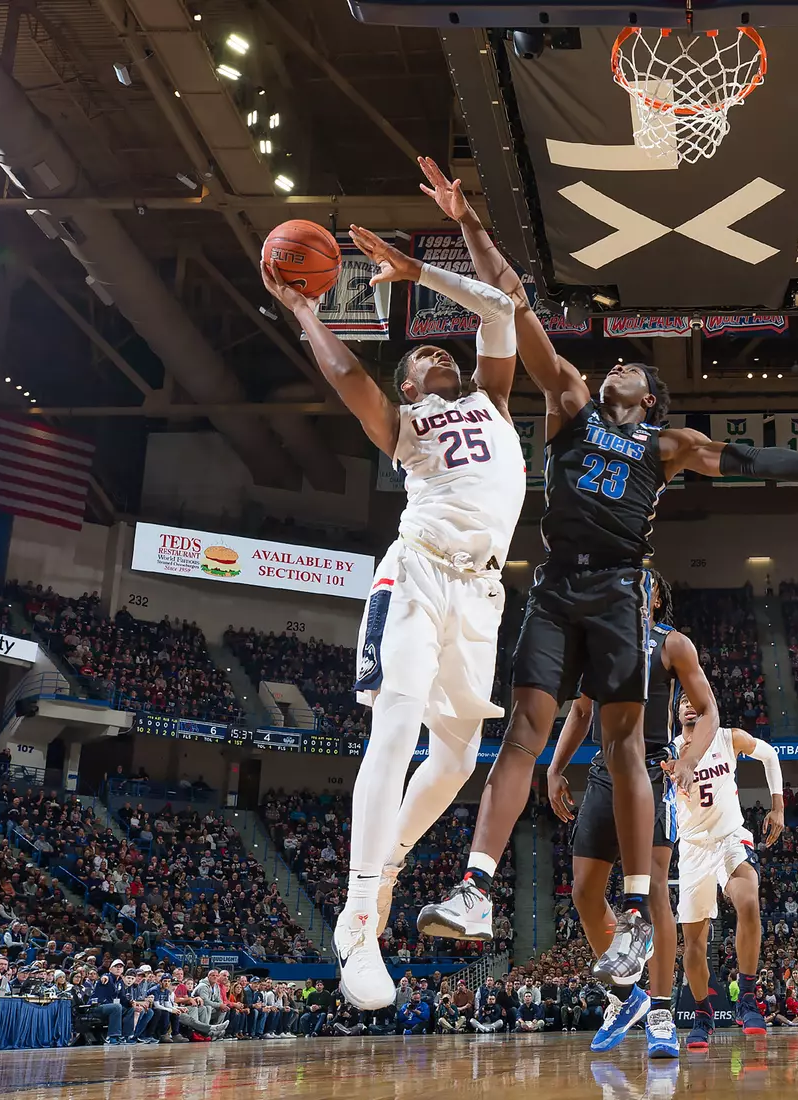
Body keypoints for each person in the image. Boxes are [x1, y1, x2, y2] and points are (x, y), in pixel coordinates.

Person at [413, 155, 798, 991]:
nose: (615, 369)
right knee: (525, 736)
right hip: (554, 583)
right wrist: (467, 223)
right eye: (613, 366)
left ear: (651, 396)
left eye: (630, 369)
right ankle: (475, 887)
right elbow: (512, 306)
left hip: (615, 590)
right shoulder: (567, 401)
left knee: (624, 746)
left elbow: (750, 458)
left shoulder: (669, 447)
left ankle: (640, 917)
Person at [265, 221, 526, 1012]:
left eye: (443, 353)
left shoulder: (496, 401)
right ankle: (357, 916)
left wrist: (422, 272)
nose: (437, 357)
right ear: (409, 387)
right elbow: (349, 379)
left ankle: (388, 866)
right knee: (397, 724)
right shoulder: (405, 425)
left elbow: (502, 311)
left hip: (482, 596)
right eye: (422, 358)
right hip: (414, 574)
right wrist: (307, 313)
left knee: (453, 761)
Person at [537, 576, 717, 1057]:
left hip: (651, 772)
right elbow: (579, 713)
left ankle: (660, 1010)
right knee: (584, 891)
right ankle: (625, 995)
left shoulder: (672, 643)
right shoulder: (601, 637)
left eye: (642, 581)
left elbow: (709, 710)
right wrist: (555, 769)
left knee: (655, 886)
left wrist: (686, 760)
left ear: (656, 595)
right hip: (602, 773)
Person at [666, 687, 785, 1050]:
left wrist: (777, 806)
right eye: (682, 701)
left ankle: (746, 998)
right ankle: (703, 1014)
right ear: (675, 712)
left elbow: (769, 754)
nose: (689, 705)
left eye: (694, 700)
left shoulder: (726, 737)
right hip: (693, 849)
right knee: (694, 944)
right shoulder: (668, 750)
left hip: (731, 837)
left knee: (748, 900)